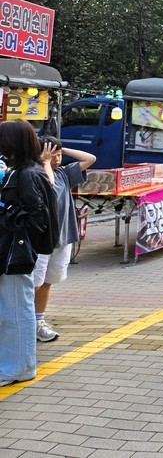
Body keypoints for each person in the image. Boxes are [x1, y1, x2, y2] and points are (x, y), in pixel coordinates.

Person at [0, 120, 58, 387]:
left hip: (17, 251)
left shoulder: (27, 173)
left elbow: (37, 218)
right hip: (12, 250)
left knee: (16, 310)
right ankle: (14, 365)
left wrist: (9, 216)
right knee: (11, 309)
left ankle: (19, 368)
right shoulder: (22, 171)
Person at [33, 136, 97, 342]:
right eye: (54, 154)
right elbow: (49, 187)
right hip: (42, 240)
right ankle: (27, 323)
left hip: (63, 237)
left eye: (59, 154)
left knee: (48, 281)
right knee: (34, 282)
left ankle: (38, 320)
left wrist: (62, 148)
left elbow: (90, 158)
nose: (58, 158)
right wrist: (45, 161)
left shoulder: (64, 173)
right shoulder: (36, 174)